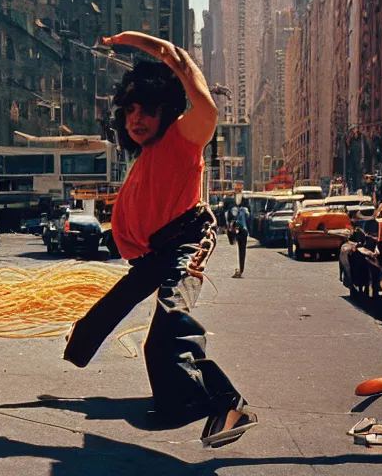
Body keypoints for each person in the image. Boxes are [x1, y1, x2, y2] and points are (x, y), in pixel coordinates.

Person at [60, 32, 257, 448]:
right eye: (129, 110)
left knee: (169, 327)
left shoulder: (186, 137)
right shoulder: (146, 155)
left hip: (188, 239)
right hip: (156, 251)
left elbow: (196, 89)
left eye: (147, 110)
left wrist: (150, 47)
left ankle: (227, 401)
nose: (136, 118)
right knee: (113, 309)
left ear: (167, 110)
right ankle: (175, 404)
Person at [228, 198, 250, 278]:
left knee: (241, 251)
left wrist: (234, 234)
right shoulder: (244, 211)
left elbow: (236, 230)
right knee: (242, 252)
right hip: (244, 232)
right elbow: (248, 219)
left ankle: (240, 270)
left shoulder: (237, 212)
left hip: (242, 232)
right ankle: (240, 269)